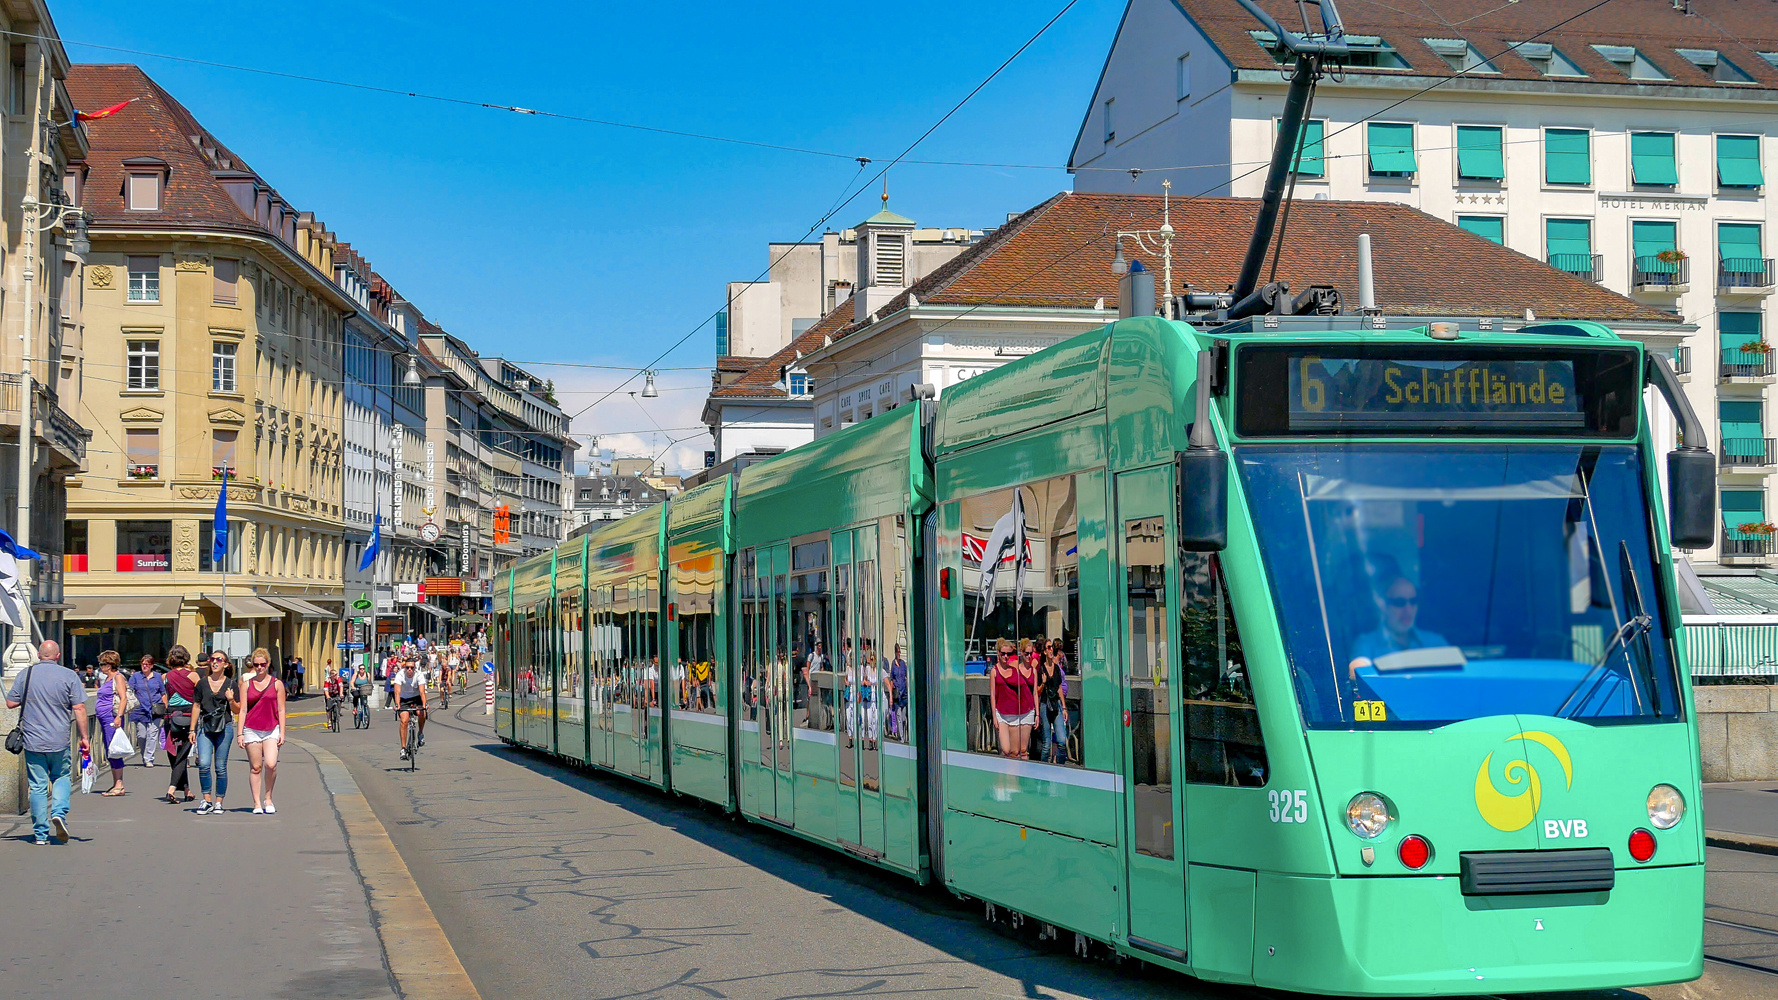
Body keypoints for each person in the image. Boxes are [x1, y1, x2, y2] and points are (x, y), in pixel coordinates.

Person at [5, 641, 89, 844]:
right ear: (58, 656)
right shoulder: (69, 675)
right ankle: (59, 813)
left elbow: (10, 703)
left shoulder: (26, 674)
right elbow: (79, 708)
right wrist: (84, 737)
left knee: (38, 786)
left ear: (38, 655)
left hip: (33, 740)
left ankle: (40, 834)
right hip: (59, 739)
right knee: (61, 777)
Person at [1347, 576, 1451, 678]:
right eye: (1400, 602)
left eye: (1413, 601)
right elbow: (1358, 670)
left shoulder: (1435, 642)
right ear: (1382, 605)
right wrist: (1358, 667)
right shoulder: (1367, 643)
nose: (1408, 610)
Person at [237, 648, 286, 815]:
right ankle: (257, 803)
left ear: (268, 664)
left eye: (262, 664)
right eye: (256, 664)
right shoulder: (246, 684)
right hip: (251, 728)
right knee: (256, 767)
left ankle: (268, 797)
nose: (259, 667)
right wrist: (240, 733)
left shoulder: (277, 684)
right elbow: (242, 710)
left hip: (272, 728)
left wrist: (283, 732)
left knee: (271, 764)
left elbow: (281, 709)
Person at [160, 646, 199, 804]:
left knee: (174, 753)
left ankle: (187, 790)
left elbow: (164, 697)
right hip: (189, 716)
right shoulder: (194, 676)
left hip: (171, 716)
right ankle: (172, 788)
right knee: (183, 754)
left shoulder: (165, 677)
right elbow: (200, 696)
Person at [93, 650, 129, 796]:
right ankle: (116, 783)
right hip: (104, 718)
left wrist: (118, 716)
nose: (101, 667)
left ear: (109, 664)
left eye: (102, 664)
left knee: (114, 750)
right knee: (110, 749)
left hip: (111, 718)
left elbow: (123, 698)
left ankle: (119, 784)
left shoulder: (118, 678)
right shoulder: (107, 679)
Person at [127, 653, 166, 769]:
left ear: (152, 666)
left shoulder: (158, 677)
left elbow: (163, 692)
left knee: (152, 734)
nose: (145, 666)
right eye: (143, 664)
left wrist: (165, 707)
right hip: (140, 710)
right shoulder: (135, 677)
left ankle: (149, 758)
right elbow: (129, 692)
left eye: (147, 664)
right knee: (142, 735)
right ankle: (144, 755)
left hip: (155, 710)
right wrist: (129, 706)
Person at [1037, 638, 1069, 765]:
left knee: (1061, 740)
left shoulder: (1056, 668)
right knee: (1046, 744)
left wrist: (1064, 707)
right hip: (1045, 705)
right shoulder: (1040, 669)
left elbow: (1059, 688)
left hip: (1056, 705)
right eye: (1048, 647)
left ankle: (1059, 767)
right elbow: (1037, 692)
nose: (1051, 650)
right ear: (1044, 652)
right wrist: (1043, 682)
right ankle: (1043, 771)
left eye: (1052, 647)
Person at [391, 657, 428, 759]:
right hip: (404, 699)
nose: (409, 670)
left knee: (421, 713)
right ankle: (403, 748)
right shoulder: (400, 675)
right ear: (404, 667)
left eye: (412, 667)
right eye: (407, 667)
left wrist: (424, 704)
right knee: (404, 720)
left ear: (415, 668)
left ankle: (420, 733)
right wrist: (397, 704)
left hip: (416, 698)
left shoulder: (419, 675)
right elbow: (397, 692)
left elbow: (422, 692)